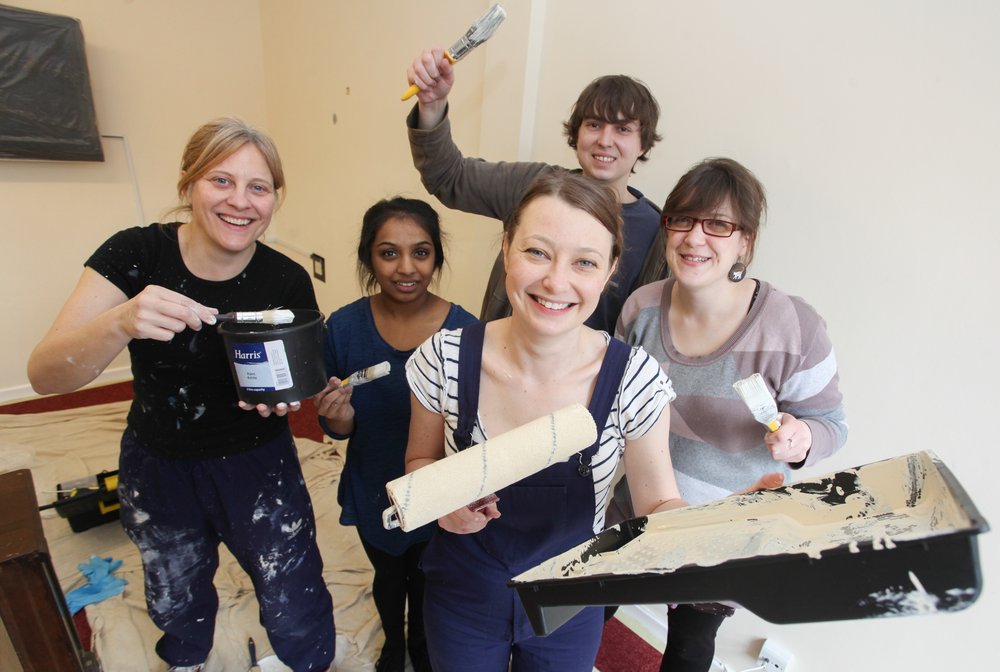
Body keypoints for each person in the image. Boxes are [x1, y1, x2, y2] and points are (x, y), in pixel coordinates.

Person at [26, 118, 336, 672]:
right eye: (221, 180)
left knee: (292, 589)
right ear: (188, 183)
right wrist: (122, 320)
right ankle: (188, 661)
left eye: (258, 187)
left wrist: (287, 400)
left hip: (258, 464)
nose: (240, 201)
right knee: (176, 593)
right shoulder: (137, 255)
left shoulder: (286, 279)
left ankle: (305, 662)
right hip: (159, 463)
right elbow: (46, 377)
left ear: (273, 199)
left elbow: (293, 380)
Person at [403, 171, 686, 672]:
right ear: (507, 247)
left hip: (569, 607)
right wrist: (443, 503)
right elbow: (420, 461)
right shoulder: (444, 359)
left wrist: (721, 526)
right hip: (462, 598)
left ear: (610, 268)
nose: (556, 282)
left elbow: (658, 502)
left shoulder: (633, 378)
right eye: (537, 252)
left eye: (584, 262)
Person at [616, 157, 848, 672]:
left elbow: (833, 424)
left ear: (745, 241)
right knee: (582, 616)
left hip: (722, 533)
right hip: (630, 509)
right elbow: (610, 407)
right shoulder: (640, 309)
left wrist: (802, 434)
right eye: (682, 219)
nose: (695, 238)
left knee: (689, 650)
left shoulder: (794, 326)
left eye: (718, 224)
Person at [314, 197, 477, 672]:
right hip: (373, 482)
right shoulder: (343, 328)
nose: (406, 268)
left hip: (436, 489)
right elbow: (337, 429)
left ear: (436, 258)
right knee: (388, 575)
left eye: (420, 253)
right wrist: (337, 415)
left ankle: (423, 649)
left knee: (429, 578)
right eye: (389, 253)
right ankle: (393, 644)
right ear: (369, 258)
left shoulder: (464, 332)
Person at [405, 48, 668, 333]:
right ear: (577, 132)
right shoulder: (534, 186)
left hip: (598, 373)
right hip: (507, 360)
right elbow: (448, 175)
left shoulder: (659, 232)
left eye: (623, 130)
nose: (605, 140)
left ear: (643, 143)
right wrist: (432, 105)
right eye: (594, 124)